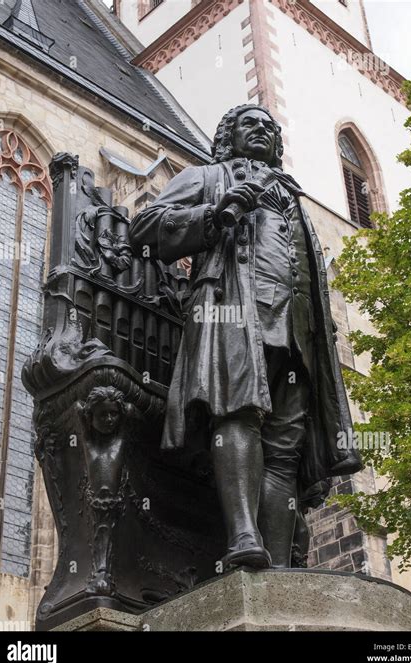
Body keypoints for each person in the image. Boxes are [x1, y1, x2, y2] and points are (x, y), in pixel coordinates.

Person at [130, 104, 362, 570]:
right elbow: (145, 228)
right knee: (237, 409)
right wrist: (215, 215)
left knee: (286, 447)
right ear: (227, 136)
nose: (261, 130)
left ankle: (276, 567)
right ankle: (241, 537)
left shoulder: (293, 197)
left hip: (298, 331)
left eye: (269, 127)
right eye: (248, 124)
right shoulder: (209, 177)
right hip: (234, 311)